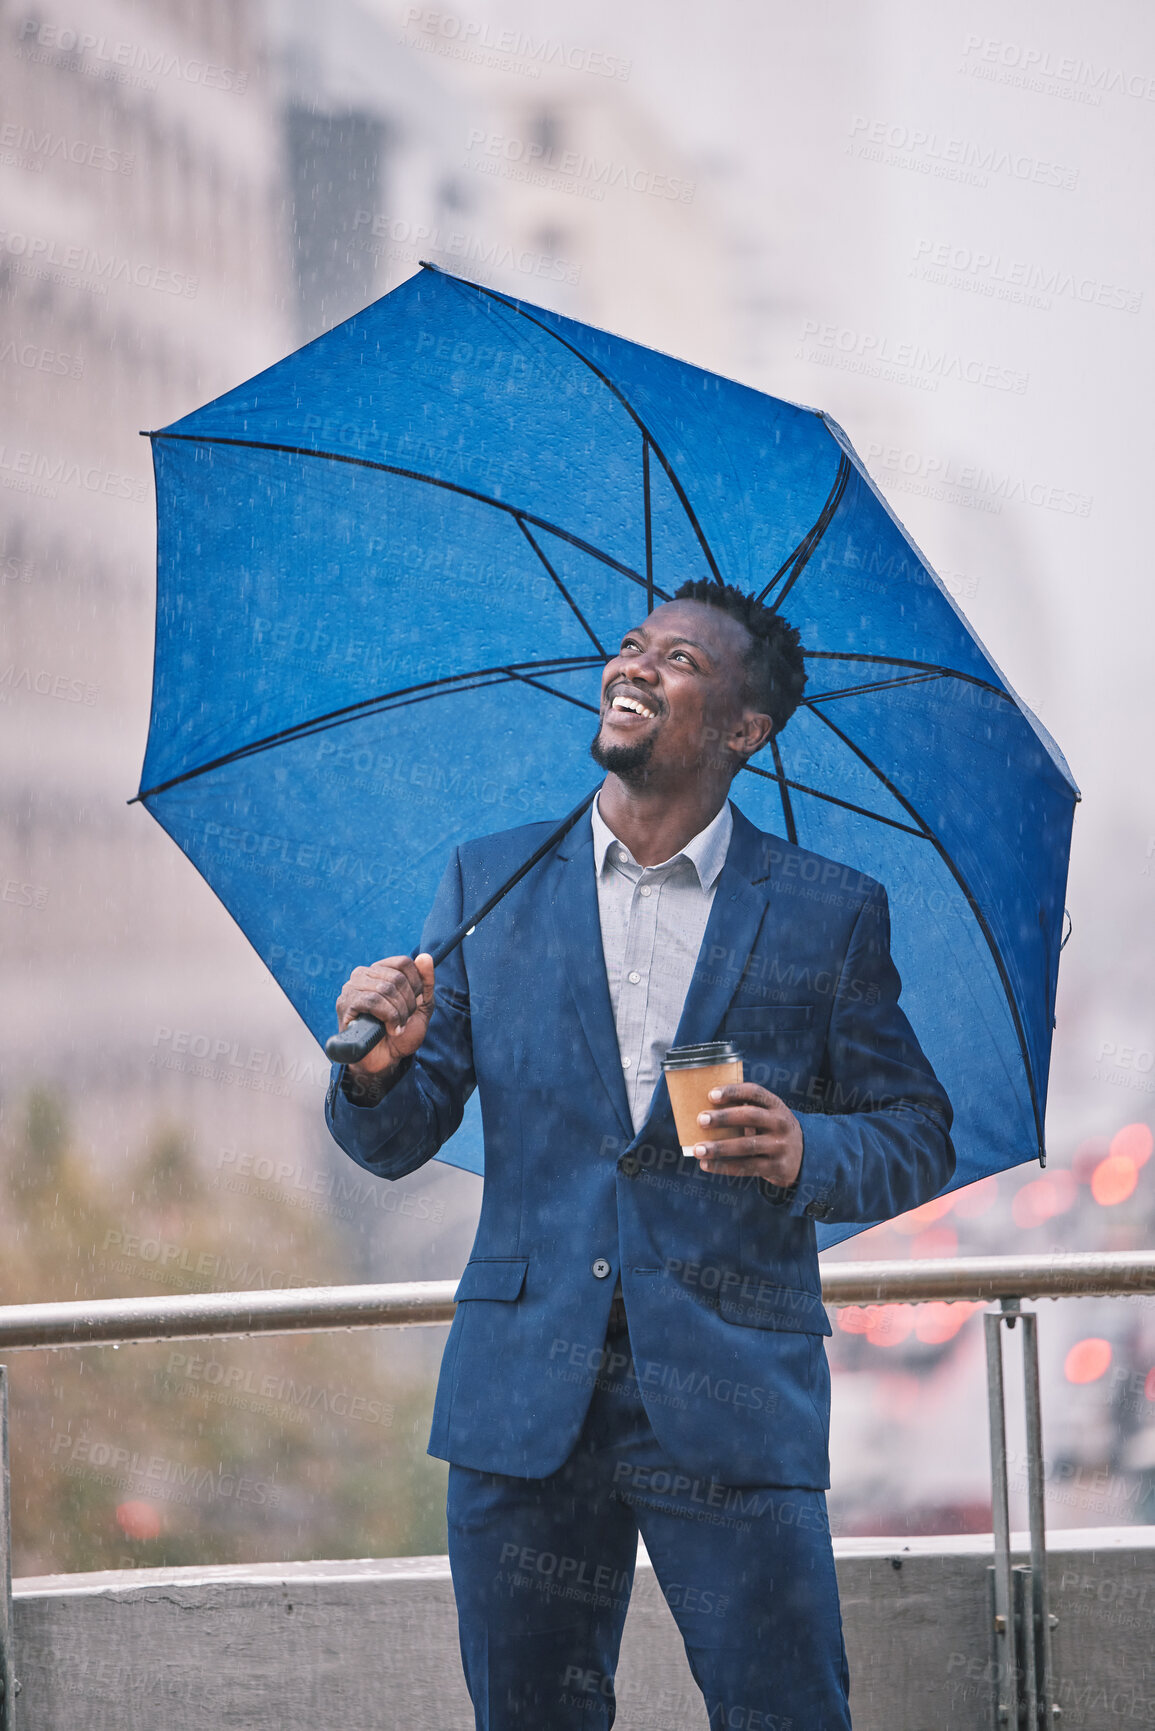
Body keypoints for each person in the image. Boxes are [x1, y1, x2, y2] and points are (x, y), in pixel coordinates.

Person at [325, 580, 954, 1730]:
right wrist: (374, 1070)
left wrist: (806, 1148)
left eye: (680, 661)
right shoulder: (491, 886)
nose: (635, 668)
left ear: (743, 731)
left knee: (786, 1712)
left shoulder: (829, 911)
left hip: (730, 1394)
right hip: (525, 1396)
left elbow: (918, 1132)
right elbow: (398, 1140)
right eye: (629, 648)